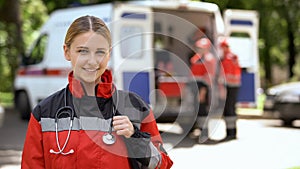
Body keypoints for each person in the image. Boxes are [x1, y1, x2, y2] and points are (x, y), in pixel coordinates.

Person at [21, 15, 173, 169]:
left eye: (100, 52)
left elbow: (162, 165)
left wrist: (135, 137)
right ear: (67, 52)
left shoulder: (135, 107)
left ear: (109, 54)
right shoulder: (44, 112)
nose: (92, 61)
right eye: (82, 51)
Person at [189, 37, 217, 144]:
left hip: (203, 88)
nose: (199, 49)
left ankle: (204, 134)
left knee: (203, 111)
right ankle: (200, 132)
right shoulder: (197, 58)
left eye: (201, 48)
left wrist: (203, 91)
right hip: (196, 87)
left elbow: (208, 77)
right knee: (198, 110)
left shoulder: (209, 59)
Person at [219, 38, 241, 141]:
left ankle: (230, 133)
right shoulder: (233, 57)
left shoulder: (227, 59)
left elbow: (225, 74)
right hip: (234, 86)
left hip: (228, 86)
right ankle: (232, 132)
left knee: (228, 109)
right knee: (231, 108)